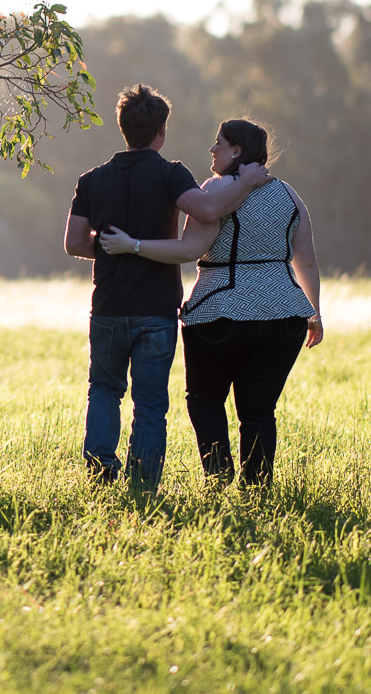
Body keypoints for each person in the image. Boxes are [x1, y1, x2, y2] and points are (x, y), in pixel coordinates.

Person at [64, 86, 271, 485]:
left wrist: (111, 249)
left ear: (123, 128)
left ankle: (100, 471)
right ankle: (142, 483)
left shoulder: (91, 180)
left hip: (107, 306)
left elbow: (73, 243)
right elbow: (209, 209)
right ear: (161, 131)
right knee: (151, 403)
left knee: (104, 389)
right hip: (156, 309)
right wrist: (245, 182)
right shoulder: (170, 173)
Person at [99, 117, 322, 486]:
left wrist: (133, 246)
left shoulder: (215, 192)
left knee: (204, 399)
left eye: (218, 143)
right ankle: (257, 488)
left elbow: (189, 249)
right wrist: (314, 313)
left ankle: (218, 478)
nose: (211, 149)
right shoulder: (289, 194)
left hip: (219, 313)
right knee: (259, 410)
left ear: (236, 151)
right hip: (285, 317)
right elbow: (307, 261)